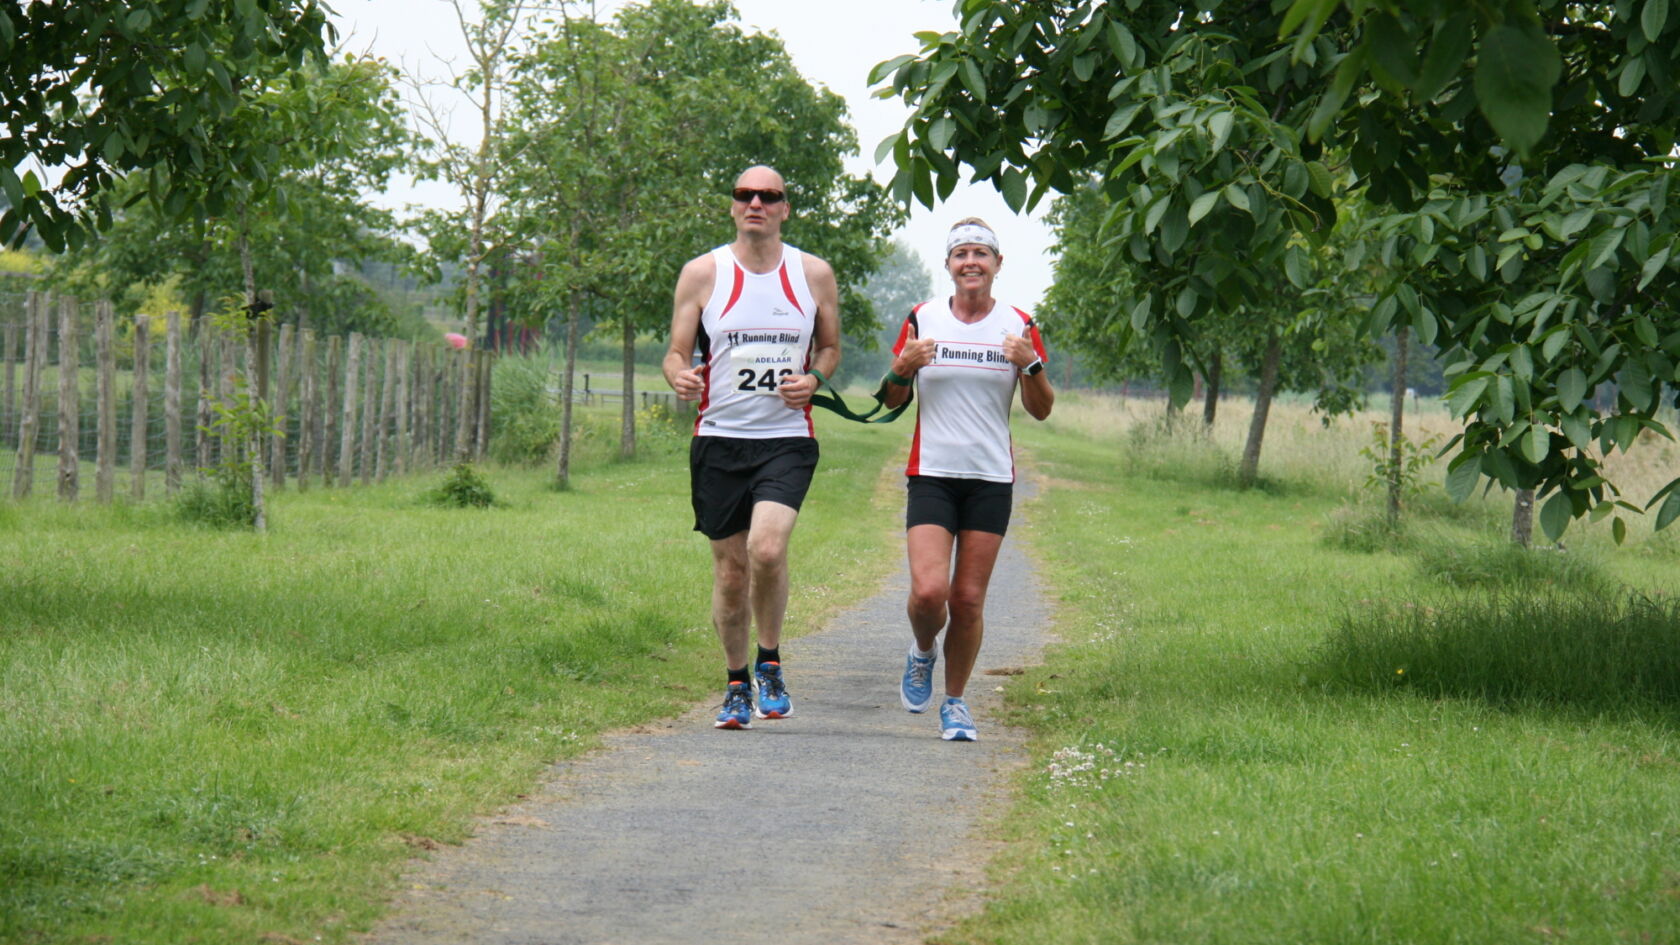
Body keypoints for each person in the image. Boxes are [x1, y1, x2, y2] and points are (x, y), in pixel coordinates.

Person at [663, 165, 841, 730]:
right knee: (731, 572)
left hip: (785, 440)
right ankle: (736, 682)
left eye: (769, 196)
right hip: (719, 440)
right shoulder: (702, 274)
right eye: (745, 195)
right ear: (733, 206)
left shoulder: (812, 274)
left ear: (786, 207)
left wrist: (812, 380)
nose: (756, 203)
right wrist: (679, 376)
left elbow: (831, 347)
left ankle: (771, 663)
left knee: (766, 550)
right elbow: (674, 353)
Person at [882, 218, 1053, 741]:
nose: (971, 262)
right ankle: (922, 651)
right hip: (931, 472)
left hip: (989, 479)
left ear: (998, 264)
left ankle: (955, 703)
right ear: (949, 265)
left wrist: (1031, 365)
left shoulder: (1019, 323)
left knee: (969, 600)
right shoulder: (922, 317)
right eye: (961, 254)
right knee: (929, 593)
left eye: (981, 253)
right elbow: (891, 399)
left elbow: (1041, 410)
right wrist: (904, 367)